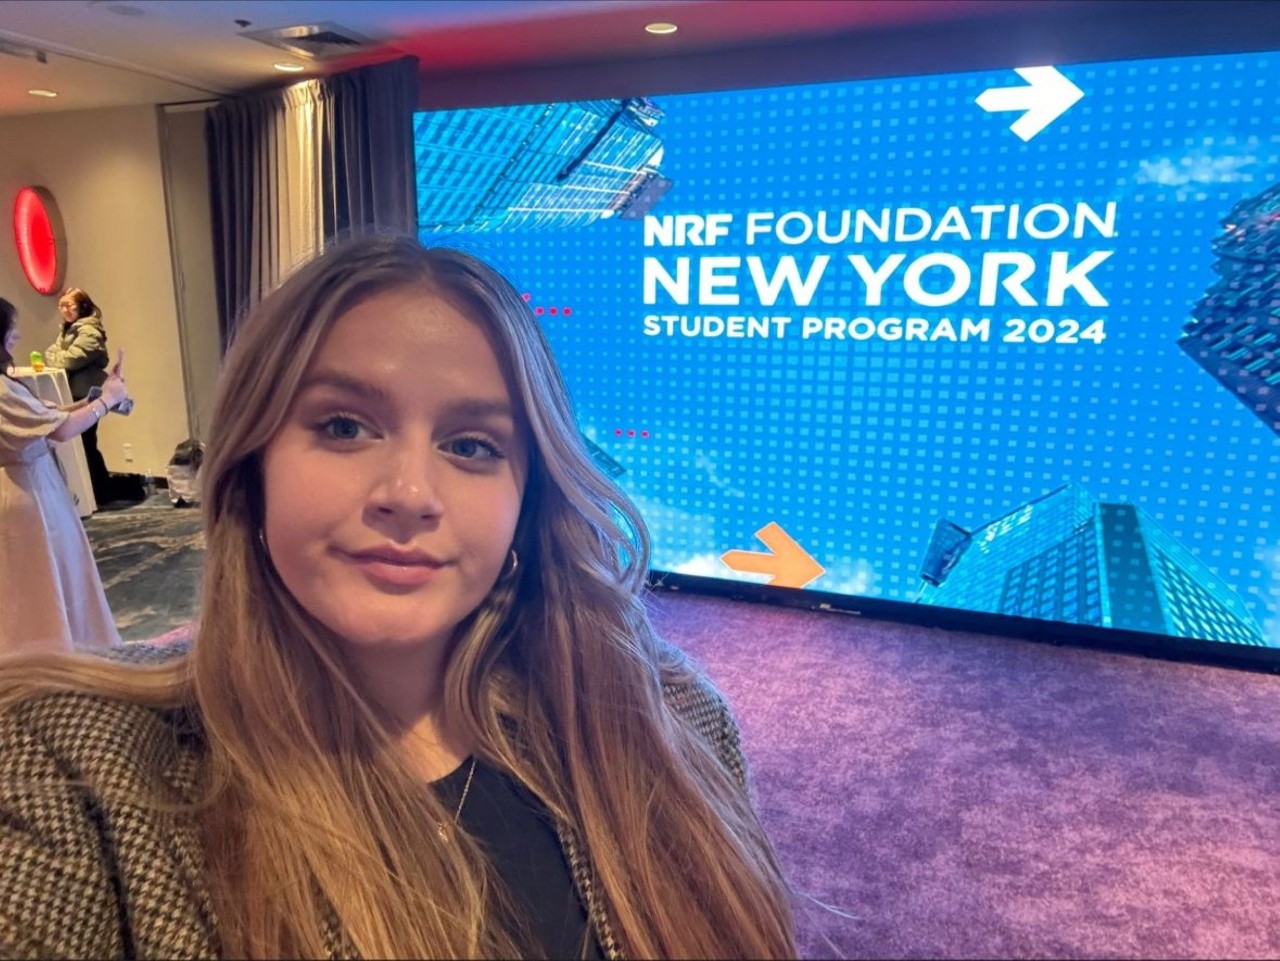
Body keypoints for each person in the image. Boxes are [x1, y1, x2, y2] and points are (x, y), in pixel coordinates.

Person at [0, 236, 796, 959]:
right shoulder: (71, 770)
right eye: (345, 426)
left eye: (472, 444)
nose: (410, 492)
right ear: (253, 464)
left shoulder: (672, 719)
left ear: (528, 495)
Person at [0, 298, 126, 653]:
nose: (18, 335)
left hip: (31, 486)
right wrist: (107, 401)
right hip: (25, 493)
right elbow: (60, 429)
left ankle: (67, 649)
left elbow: (46, 415)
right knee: (41, 578)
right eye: (11, 329)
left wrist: (95, 400)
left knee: (52, 571)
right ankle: (54, 656)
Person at [44, 286, 114, 504]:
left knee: (86, 444)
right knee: (83, 444)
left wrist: (58, 354)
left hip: (87, 395)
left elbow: (69, 360)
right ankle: (97, 491)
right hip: (76, 394)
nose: (64, 310)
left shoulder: (90, 331)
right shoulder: (68, 329)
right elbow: (49, 354)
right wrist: (58, 354)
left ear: (82, 306)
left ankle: (100, 491)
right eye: (61, 306)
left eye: (69, 305)